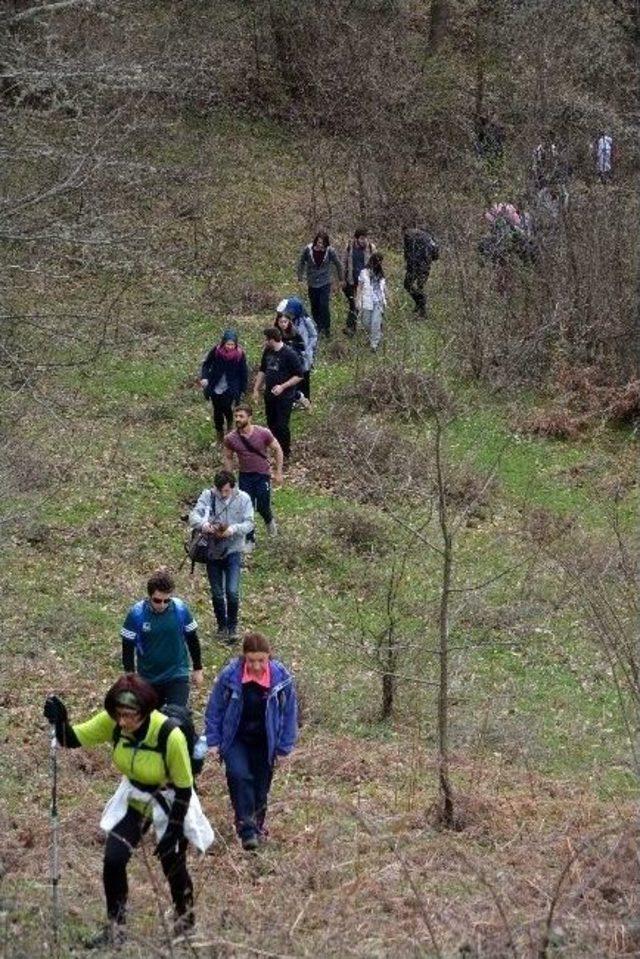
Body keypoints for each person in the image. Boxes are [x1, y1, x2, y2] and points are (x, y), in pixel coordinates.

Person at [43, 675, 213, 948]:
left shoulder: (170, 735)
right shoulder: (114, 721)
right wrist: (60, 720)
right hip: (134, 797)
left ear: (145, 712)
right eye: (118, 715)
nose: (122, 722)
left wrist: (172, 831)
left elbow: (183, 787)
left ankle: (185, 926)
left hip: (171, 799)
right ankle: (116, 929)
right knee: (113, 859)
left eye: (129, 716)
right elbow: (72, 738)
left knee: (173, 865)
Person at [204, 632, 298, 851]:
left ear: (269, 657)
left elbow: (289, 714)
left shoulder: (281, 680)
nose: (256, 666)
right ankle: (247, 829)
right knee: (239, 775)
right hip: (236, 737)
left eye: (261, 660)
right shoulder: (230, 677)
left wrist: (285, 747)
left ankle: (257, 828)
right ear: (244, 657)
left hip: (266, 740)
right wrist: (213, 739)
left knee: (260, 787)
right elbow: (215, 708)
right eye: (251, 660)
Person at [120, 569, 202, 708]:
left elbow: (192, 638)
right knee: (152, 722)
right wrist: (130, 676)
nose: (162, 605)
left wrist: (198, 668)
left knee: (176, 717)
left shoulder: (180, 609)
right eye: (157, 600)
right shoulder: (137, 614)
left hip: (177, 674)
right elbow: (127, 646)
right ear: (149, 596)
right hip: (148, 677)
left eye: (167, 600)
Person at [189, 470, 254, 643]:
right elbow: (193, 515)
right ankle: (221, 626)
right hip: (212, 550)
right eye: (220, 491)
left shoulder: (244, 499)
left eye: (226, 491)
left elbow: (249, 523)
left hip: (233, 550)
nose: (223, 494)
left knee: (232, 591)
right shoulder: (207, 495)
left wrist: (232, 529)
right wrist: (204, 525)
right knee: (217, 593)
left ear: (233, 487)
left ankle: (232, 627)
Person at [224, 404, 283, 544]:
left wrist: (278, 472)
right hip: (245, 476)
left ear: (249, 417)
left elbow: (277, 449)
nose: (238, 419)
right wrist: (229, 479)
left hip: (262, 475)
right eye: (236, 416)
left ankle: (270, 523)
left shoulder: (263, 433)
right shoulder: (231, 438)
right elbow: (228, 457)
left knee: (263, 506)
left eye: (241, 416)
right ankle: (249, 539)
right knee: (246, 508)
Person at [252, 327, 303, 462]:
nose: (264, 342)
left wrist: (283, 386)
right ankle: (276, 450)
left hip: (285, 397)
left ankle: (285, 453)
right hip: (269, 395)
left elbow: (299, 375)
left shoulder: (289, 354)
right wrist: (256, 389)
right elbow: (262, 370)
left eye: (266, 340)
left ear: (272, 340)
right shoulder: (268, 351)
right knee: (271, 423)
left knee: (282, 425)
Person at [199, 329, 248, 444]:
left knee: (226, 407)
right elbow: (206, 364)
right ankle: (219, 435)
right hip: (216, 384)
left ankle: (230, 427)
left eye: (232, 344)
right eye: (228, 344)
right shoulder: (216, 351)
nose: (230, 347)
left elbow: (243, 372)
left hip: (230, 386)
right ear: (223, 343)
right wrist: (204, 377)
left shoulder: (240, 354)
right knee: (217, 410)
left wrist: (243, 389)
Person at [296, 231, 343, 337]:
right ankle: (319, 325)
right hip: (312, 282)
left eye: (322, 243)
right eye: (318, 242)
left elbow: (338, 264)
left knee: (324, 305)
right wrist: (300, 278)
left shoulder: (330, 251)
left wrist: (341, 279)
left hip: (325, 282)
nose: (320, 245)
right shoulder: (308, 250)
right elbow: (301, 263)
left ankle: (326, 328)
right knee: (315, 305)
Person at [276, 297, 317, 403]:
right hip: (291, 354)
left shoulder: (305, 320)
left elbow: (313, 335)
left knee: (304, 376)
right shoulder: (286, 322)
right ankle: (294, 398)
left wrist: (308, 349)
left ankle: (306, 399)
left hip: (304, 354)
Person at [342, 228, 376, 336]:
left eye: (365, 238)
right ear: (356, 238)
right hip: (351, 281)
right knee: (353, 304)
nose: (364, 241)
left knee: (360, 305)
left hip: (365, 282)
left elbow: (376, 264)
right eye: (361, 238)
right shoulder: (349, 247)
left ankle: (362, 328)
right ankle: (351, 328)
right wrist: (342, 279)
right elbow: (344, 263)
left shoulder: (371, 248)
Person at [403, 224, 439, 318]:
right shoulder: (429, 236)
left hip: (414, 265)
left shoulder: (408, 235)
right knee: (420, 286)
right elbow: (436, 254)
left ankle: (421, 305)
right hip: (426, 265)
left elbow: (406, 253)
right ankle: (420, 306)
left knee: (407, 284)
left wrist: (408, 262)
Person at [356, 252, 387, 352]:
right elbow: (359, 287)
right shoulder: (364, 272)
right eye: (378, 261)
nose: (379, 263)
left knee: (375, 322)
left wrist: (388, 298)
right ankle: (370, 337)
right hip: (367, 301)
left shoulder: (381, 273)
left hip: (378, 301)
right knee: (366, 322)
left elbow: (383, 287)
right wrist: (358, 299)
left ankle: (374, 344)